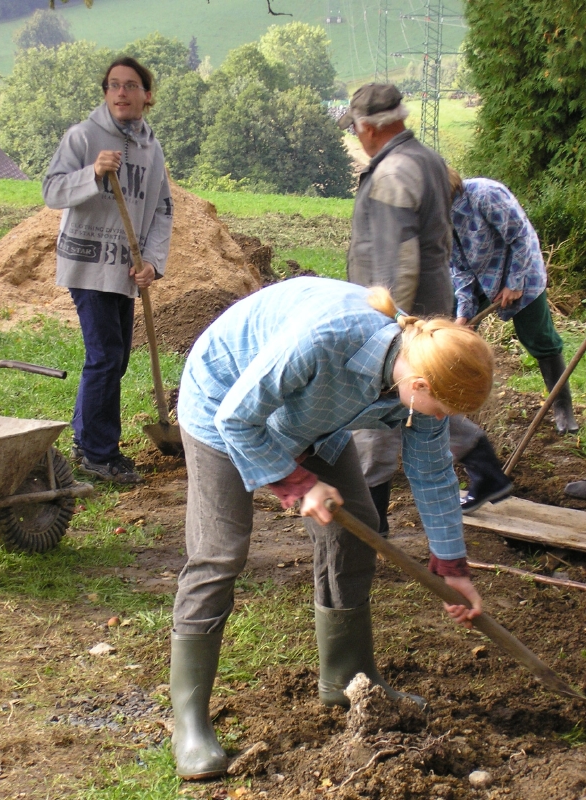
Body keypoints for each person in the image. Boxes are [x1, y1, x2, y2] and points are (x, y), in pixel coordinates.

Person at [171, 276, 488, 780]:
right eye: (444, 409)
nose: (443, 418)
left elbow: (431, 472)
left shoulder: (420, 374)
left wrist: (451, 565)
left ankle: (347, 678)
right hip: (223, 404)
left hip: (311, 417)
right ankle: (188, 722)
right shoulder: (326, 337)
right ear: (421, 387)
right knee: (220, 552)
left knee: (356, 525)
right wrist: (296, 484)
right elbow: (238, 418)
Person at [338, 83, 511, 522]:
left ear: (368, 128)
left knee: (375, 418)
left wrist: (391, 325)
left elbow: (397, 257)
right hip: (431, 302)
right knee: (428, 399)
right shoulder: (428, 159)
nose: (357, 139)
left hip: (397, 313)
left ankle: (370, 528)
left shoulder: (393, 173)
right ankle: (485, 467)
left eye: (356, 130)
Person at [43, 56, 173, 485]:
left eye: (131, 85)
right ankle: (99, 452)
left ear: (146, 95)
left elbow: (161, 211)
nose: (121, 92)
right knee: (104, 357)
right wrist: (93, 172)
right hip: (86, 263)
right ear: (106, 93)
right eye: (114, 85)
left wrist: (152, 261)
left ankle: (87, 442)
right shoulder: (83, 136)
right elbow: (52, 190)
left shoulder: (151, 149)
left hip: (125, 269)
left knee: (112, 361)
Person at [449, 169, 579, 436]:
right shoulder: (438, 217)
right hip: (481, 278)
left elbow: (521, 237)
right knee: (455, 330)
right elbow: (459, 268)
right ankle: (461, 404)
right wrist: (464, 312)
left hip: (520, 270)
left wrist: (514, 282)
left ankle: (563, 408)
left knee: (539, 338)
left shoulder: (484, 194)